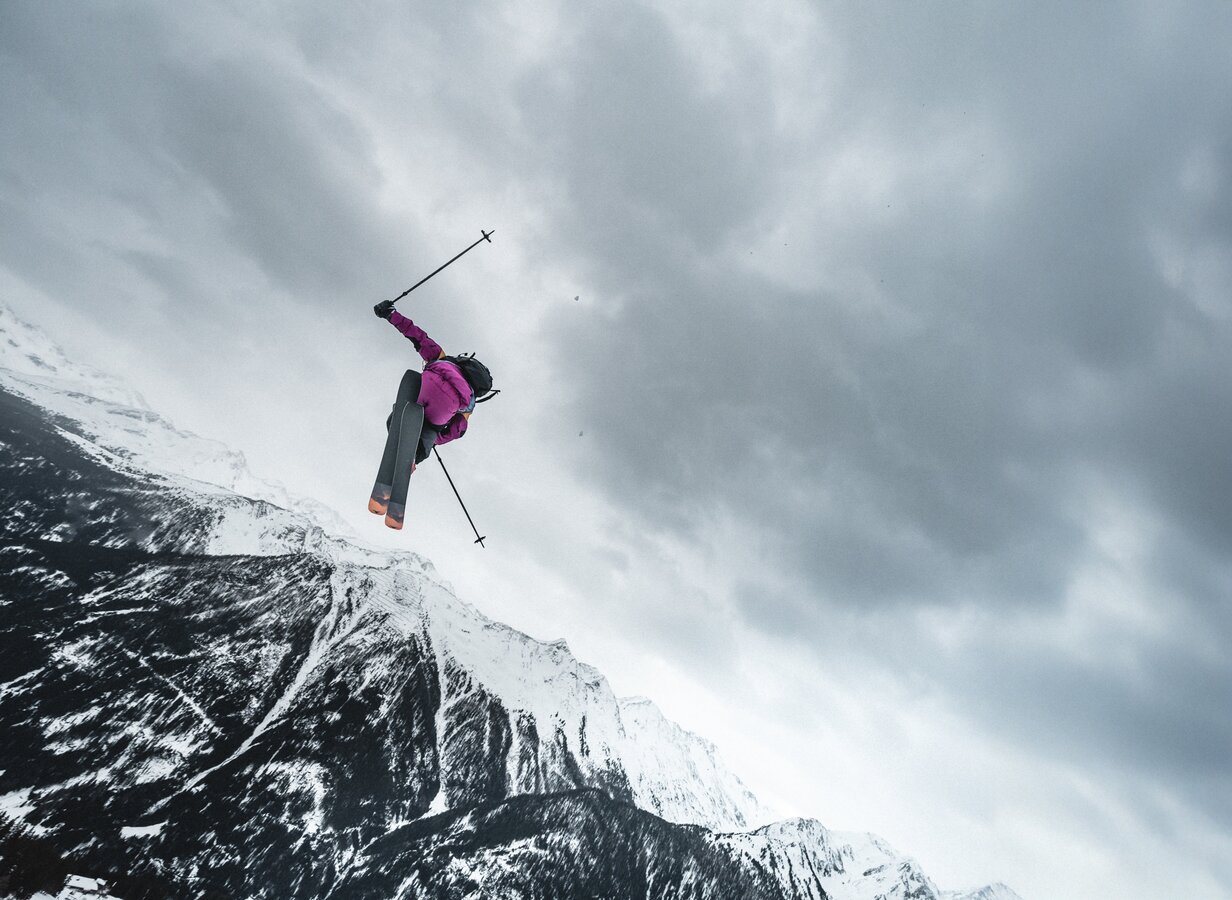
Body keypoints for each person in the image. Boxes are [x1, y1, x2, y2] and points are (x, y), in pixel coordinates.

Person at [372, 299, 493, 464]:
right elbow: (457, 430)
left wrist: (390, 314)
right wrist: (435, 439)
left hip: (425, 389)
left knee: (393, 421)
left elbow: (418, 336)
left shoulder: (444, 360)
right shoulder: (470, 400)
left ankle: (402, 420)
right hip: (441, 411)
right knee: (429, 434)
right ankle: (415, 457)